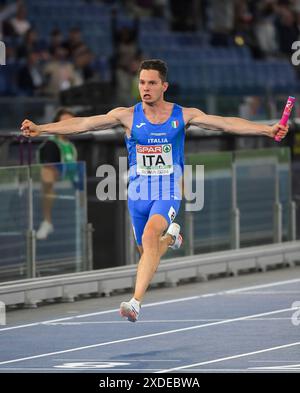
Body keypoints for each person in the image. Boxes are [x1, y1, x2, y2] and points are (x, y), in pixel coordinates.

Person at [21, 59, 288, 322]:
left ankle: (135, 302)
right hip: (137, 194)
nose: (145, 88)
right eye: (141, 82)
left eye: (151, 83)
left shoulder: (183, 115)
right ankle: (171, 239)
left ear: (164, 86)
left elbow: (226, 123)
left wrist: (266, 130)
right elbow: (83, 124)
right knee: (148, 253)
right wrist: (42, 128)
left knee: (150, 236)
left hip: (168, 189)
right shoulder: (126, 115)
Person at [36, 108, 78, 240]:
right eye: (64, 122)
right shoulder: (51, 144)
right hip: (55, 186)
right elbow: (48, 170)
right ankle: (47, 220)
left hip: (72, 186)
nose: (68, 125)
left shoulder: (71, 146)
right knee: (47, 177)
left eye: (71, 122)